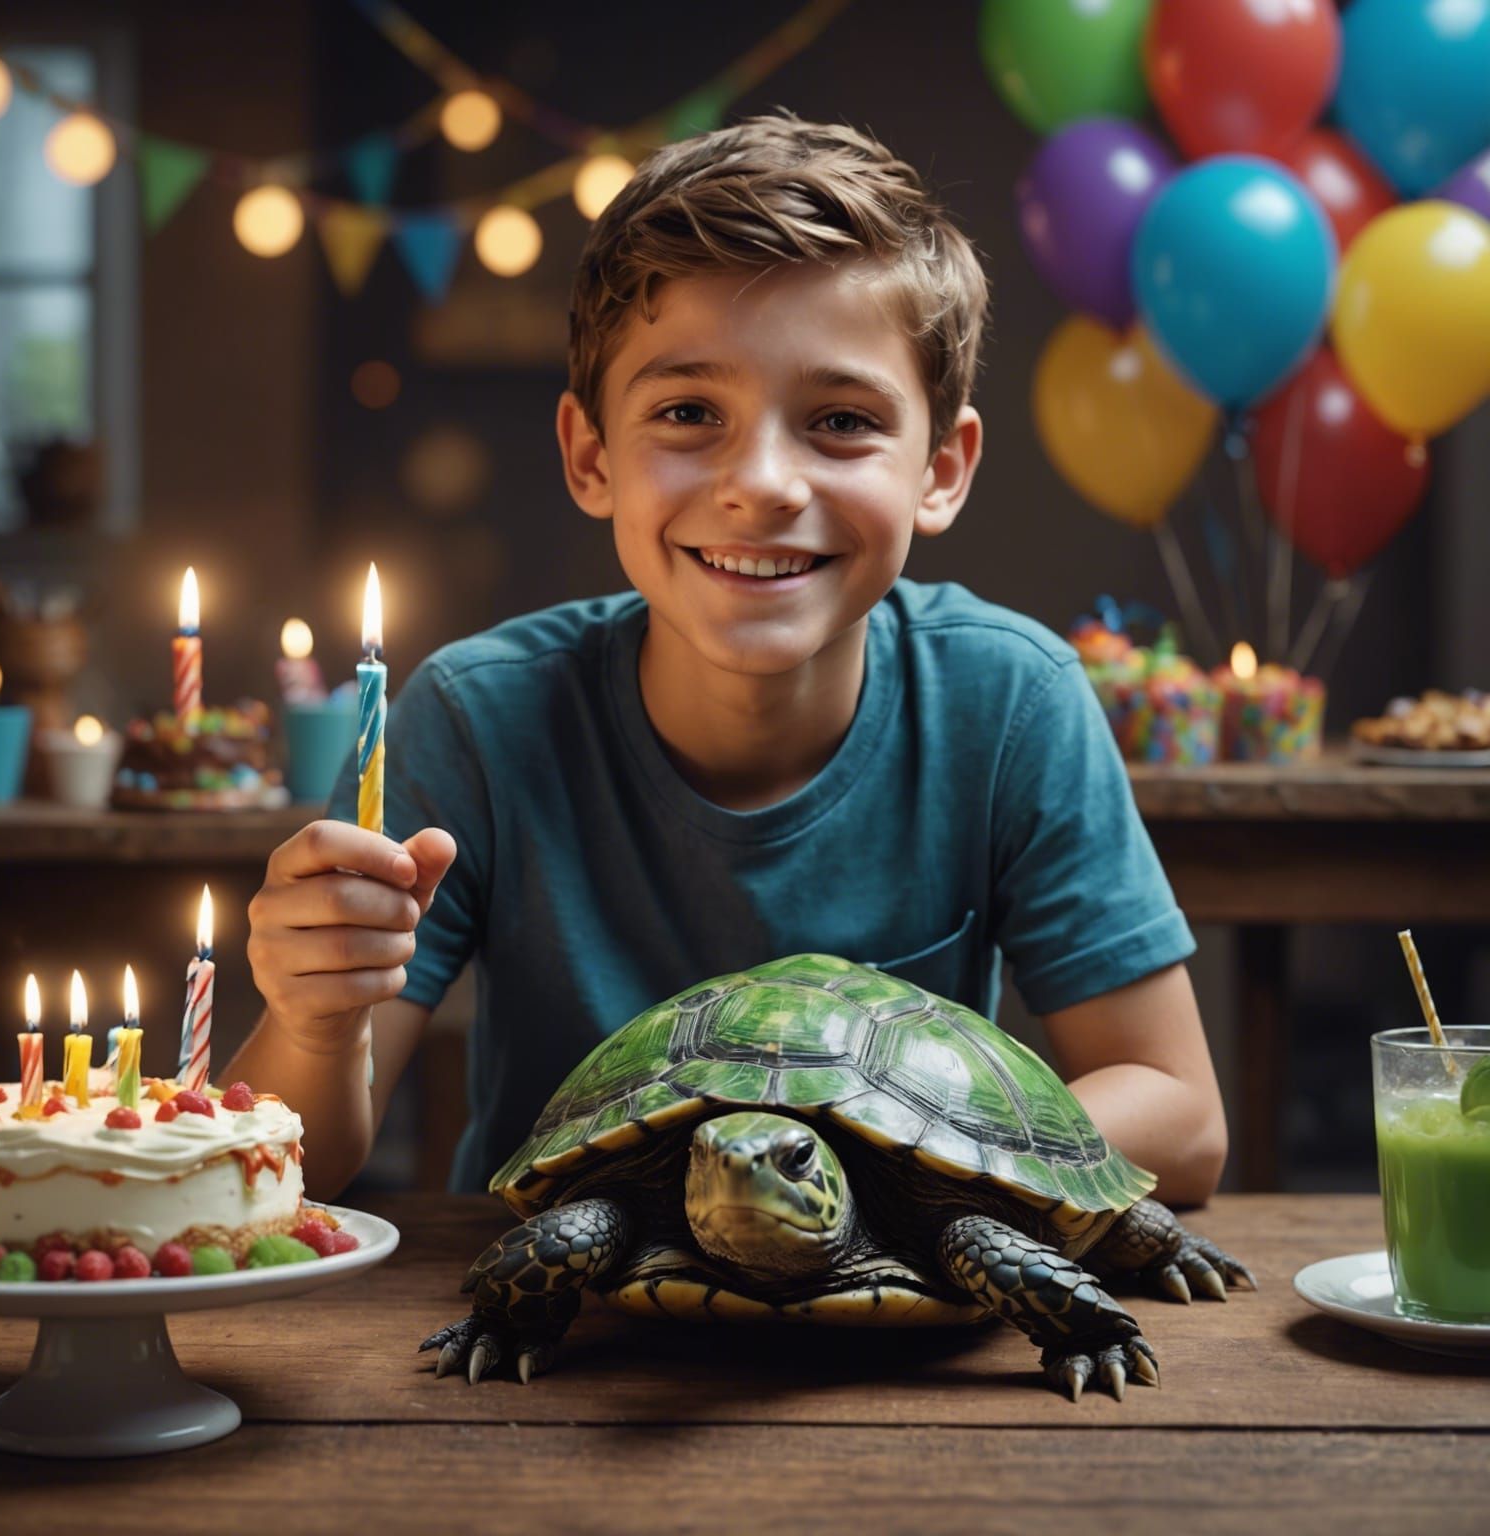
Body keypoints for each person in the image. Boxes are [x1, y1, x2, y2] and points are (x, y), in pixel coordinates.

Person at [227, 114, 1228, 1207]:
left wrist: (842, 1160)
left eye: (840, 420)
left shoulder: (1011, 703)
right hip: (550, 1297)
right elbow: (294, 1164)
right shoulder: (475, 718)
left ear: (941, 469)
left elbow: (1180, 1117)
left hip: (889, 1300)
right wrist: (314, 1022)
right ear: (590, 455)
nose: (761, 485)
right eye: (689, 412)